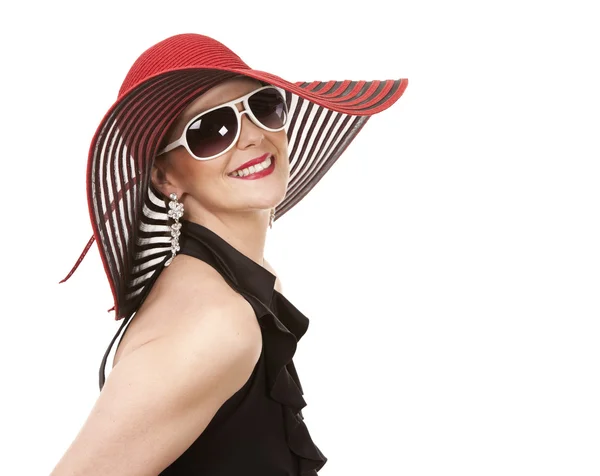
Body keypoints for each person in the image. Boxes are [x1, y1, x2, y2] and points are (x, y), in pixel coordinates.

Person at [52, 33, 408, 475]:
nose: (254, 137)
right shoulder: (216, 324)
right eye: (210, 130)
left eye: (263, 108)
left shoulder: (245, 282)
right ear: (165, 178)